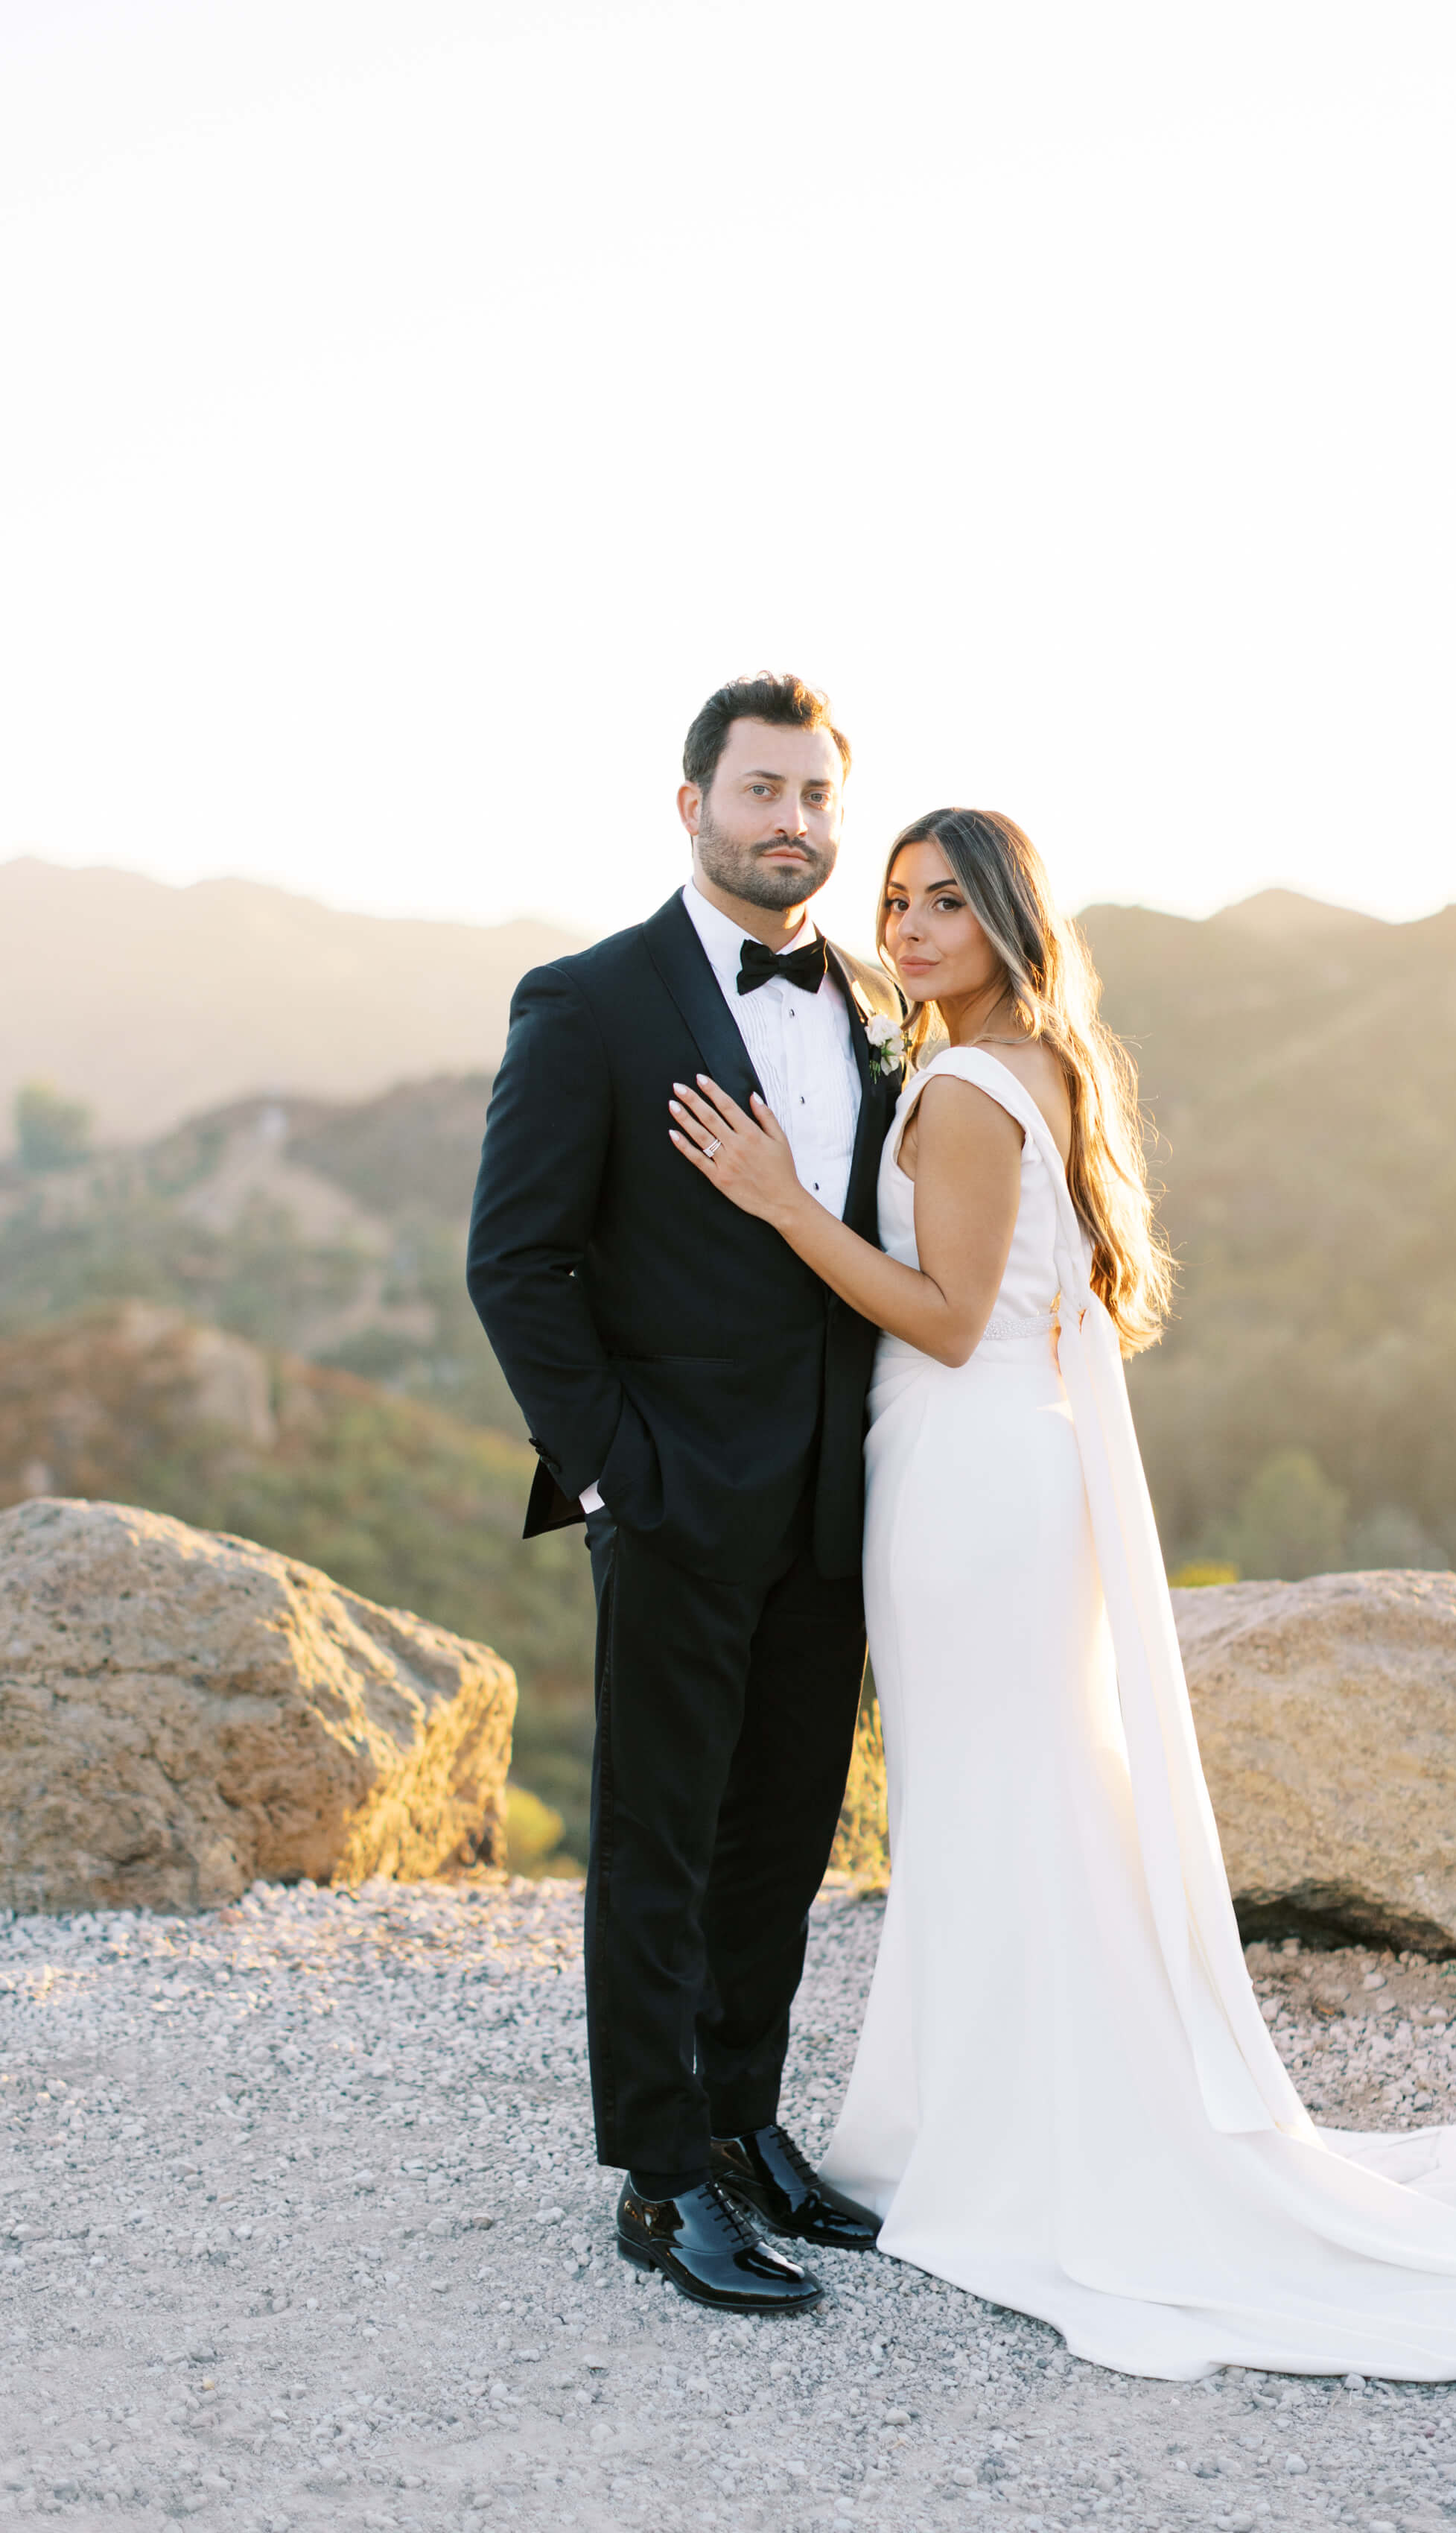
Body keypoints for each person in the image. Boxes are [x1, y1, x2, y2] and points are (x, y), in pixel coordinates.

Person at [668, 804, 1456, 2383]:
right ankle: (1012, 2108)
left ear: (1009, 922)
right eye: (899, 900)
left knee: (991, 1800)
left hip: (961, 1472)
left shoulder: (956, 1083)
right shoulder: (1051, 1063)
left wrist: (780, 1201)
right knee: (1020, 1794)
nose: (914, 927)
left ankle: (1017, 2138)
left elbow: (944, 1319)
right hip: (1011, 1469)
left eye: (948, 902)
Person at [467, 674, 900, 2314]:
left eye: (815, 797)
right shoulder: (586, 1002)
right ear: (692, 806)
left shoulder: (872, 1003)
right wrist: (613, 1474)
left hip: (830, 1509)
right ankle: (660, 2181)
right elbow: (515, 1261)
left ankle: (742, 2117)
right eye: (761, 790)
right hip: (664, 1501)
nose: (791, 821)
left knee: (780, 1831)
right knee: (657, 1841)